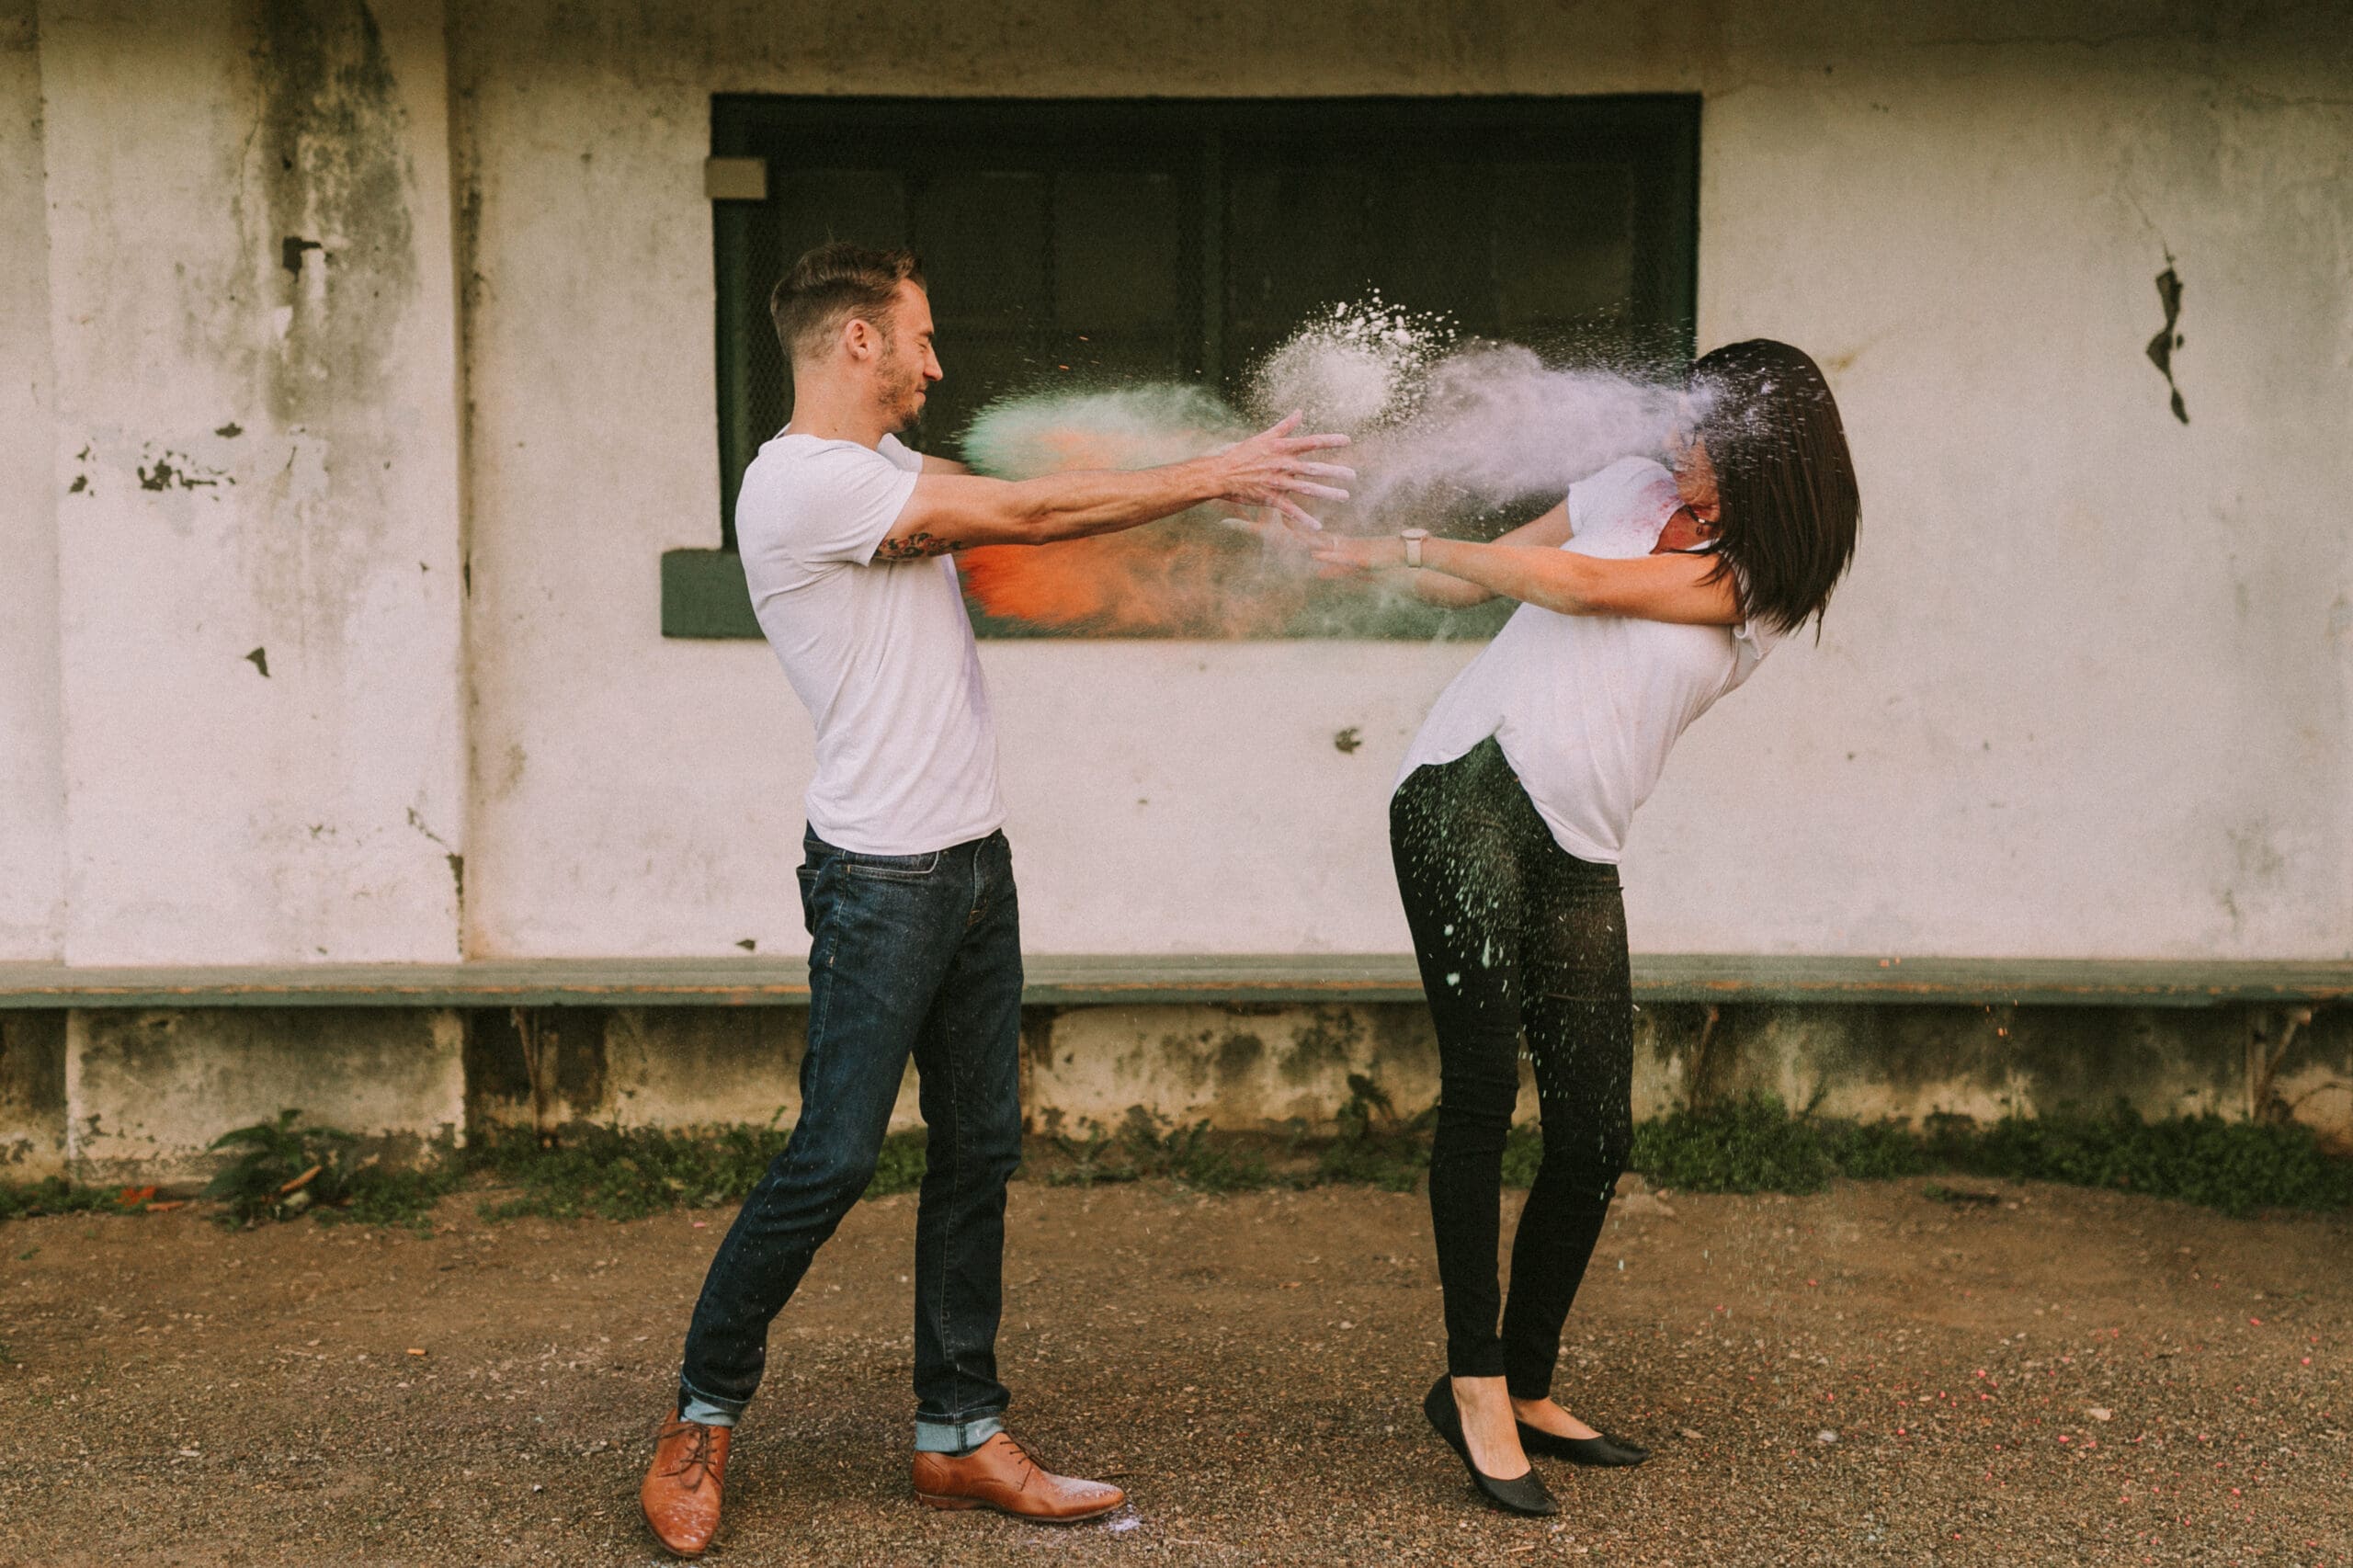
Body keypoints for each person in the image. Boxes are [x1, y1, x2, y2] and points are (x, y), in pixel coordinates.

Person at [640, 243, 1350, 1559]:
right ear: (856, 341)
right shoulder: (801, 485)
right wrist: (1217, 471)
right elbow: (1019, 522)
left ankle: (959, 1432)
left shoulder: (891, 472)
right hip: (880, 882)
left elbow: (1023, 497)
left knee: (980, 1151)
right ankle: (700, 1415)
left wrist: (1198, 504)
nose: (936, 360)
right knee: (834, 1157)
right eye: (919, 335)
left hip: (973, 865)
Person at [1308, 339, 1859, 1516]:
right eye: (1676, 421)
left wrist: (1417, 545)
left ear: (1767, 458)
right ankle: (1473, 1386)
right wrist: (1376, 548)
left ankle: (1528, 1375)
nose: (1672, 444)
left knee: (1595, 1135)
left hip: (1577, 835)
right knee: (1477, 1092)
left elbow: (1588, 590)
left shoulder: (1757, 577)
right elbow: (1484, 580)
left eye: (1701, 435)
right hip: (1464, 785)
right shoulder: (1622, 491)